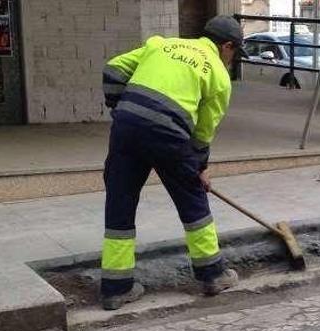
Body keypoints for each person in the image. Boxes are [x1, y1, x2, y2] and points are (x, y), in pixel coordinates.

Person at [99, 15, 246, 310]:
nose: (232, 60)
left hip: (126, 129)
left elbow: (113, 69)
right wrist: (199, 169)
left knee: (120, 202)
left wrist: (123, 108)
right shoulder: (217, 74)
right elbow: (203, 132)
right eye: (234, 54)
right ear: (227, 46)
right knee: (192, 200)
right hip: (169, 134)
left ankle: (116, 288)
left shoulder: (161, 44)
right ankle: (213, 275)